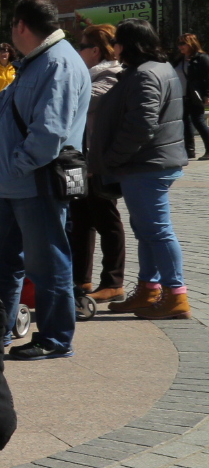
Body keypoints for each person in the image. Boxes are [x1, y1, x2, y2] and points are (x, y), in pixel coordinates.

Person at [0, 0, 90, 360]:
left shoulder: (58, 64)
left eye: (12, 25)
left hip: (36, 183)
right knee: (1, 261)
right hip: (17, 184)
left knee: (47, 264)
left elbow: (49, 135)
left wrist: (11, 165)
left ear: (21, 26)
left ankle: (56, 339)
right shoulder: (38, 62)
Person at [92, 19, 190, 320]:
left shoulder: (145, 74)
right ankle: (149, 289)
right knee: (147, 230)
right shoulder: (158, 69)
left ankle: (176, 296)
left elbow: (141, 125)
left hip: (145, 165)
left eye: (117, 43)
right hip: (151, 162)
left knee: (156, 231)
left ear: (127, 45)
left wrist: (112, 157)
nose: (115, 49)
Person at [69, 25, 127, 304]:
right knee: (80, 220)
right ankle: (81, 279)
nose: (77, 51)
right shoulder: (88, 75)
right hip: (73, 158)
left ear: (95, 50)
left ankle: (113, 281)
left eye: (81, 46)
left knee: (106, 219)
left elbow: (81, 102)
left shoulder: (111, 74)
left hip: (95, 159)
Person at [175, 34, 209, 160]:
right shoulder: (180, 59)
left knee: (198, 121)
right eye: (179, 44)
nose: (180, 47)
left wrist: (207, 94)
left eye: (183, 43)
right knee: (184, 122)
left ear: (191, 43)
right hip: (181, 95)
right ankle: (189, 151)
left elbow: (207, 77)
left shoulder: (202, 58)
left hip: (195, 94)